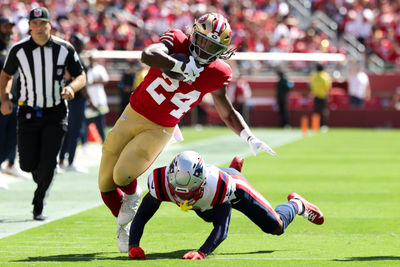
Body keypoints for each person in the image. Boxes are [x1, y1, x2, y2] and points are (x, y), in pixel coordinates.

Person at [98, 13, 276, 253]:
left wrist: (249, 137)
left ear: (221, 50)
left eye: (211, 46)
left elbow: (226, 110)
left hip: (160, 126)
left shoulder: (217, 72)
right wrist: (178, 66)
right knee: (105, 184)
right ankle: (123, 220)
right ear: (194, 34)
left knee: (121, 176)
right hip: (133, 112)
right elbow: (147, 55)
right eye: (201, 40)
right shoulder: (177, 40)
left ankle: (129, 206)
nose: (203, 49)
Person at [128, 151, 324, 260]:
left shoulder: (219, 187)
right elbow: (143, 215)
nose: (183, 196)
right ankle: (233, 167)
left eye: (189, 191)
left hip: (233, 187)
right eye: (178, 190)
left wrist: (202, 252)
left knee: (275, 227)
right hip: (207, 200)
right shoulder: (160, 182)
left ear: (202, 182)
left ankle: (297, 204)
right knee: (206, 214)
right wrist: (133, 245)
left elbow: (222, 229)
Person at [0, 7, 86, 220]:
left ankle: (38, 204)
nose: (38, 28)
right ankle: (45, 176)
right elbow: (6, 74)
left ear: (50, 25)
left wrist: (71, 88)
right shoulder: (18, 50)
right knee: (27, 164)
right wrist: (4, 98)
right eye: (34, 24)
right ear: (29, 26)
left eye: (42, 24)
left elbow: (80, 75)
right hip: (28, 110)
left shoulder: (64, 48)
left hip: (56, 112)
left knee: (49, 161)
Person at [59, 33, 92, 173]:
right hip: (76, 99)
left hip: (68, 98)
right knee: (74, 130)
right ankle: (70, 161)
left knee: (68, 131)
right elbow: (82, 84)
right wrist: (90, 100)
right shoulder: (77, 60)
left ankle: (61, 160)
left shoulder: (68, 58)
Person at [0, 16, 25, 178]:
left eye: (10, 27)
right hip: (2, 100)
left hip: (14, 99)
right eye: (5, 27)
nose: (8, 30)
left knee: (12, 139)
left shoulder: (12, 47)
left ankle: (5, 165)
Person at [83, 54, 109, 142]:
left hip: (100, 100)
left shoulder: (100, 68)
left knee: (101, 123)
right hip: (88, 102)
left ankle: (104, 142)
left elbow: (105, 80)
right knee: (85, 124)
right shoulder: (85, 69)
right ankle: (84, 144)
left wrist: (93, 82)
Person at [309, 63, 331, 129]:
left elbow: (311, 86)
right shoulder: (325, 76)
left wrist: (312, 94)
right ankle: (324, 125)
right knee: (324, 111)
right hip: (323, 96)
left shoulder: (313, 76)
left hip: (316, 96)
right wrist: (328, 95)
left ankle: (315, 125)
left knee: (316, 111)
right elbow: (327, 87)